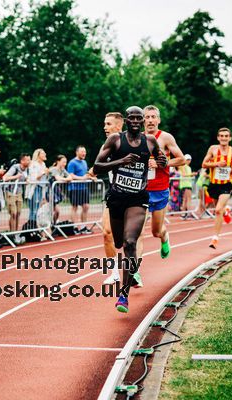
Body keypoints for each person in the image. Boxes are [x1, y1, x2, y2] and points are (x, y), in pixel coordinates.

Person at [92, 106, 166, 313]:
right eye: (131, 118)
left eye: (138, 118)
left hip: (138, 198)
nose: (135, 121)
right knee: (117, 242)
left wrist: (162, 161)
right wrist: (121, 162)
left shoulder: (150, 141)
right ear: (127, 120)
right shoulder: (115, 140)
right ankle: (128, 271)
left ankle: (123, 295)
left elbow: (162, 160)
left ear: (142, 121)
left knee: (130, 243)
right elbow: (97, 166)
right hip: (116, 198)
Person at [138, 105, 185, 264]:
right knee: (138, 232)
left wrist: (161, 164)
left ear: (158, 119)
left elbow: (181, 159)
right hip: (141, 191)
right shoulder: (136, 138)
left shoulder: (165, 138)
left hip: (160, 191)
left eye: (153, 117)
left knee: (156, 231)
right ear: (143, 120)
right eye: (147, 117)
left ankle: (165, 237)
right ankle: (135, 270)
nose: (150, 120)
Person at [201, 128, 232, 249]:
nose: (224, 138)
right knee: (219, 209)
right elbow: (204, 164)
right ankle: (226, 210)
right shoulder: (213, 149)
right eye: (221, 136)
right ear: (218, 138)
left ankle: (215, 238)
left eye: (226, 136)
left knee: (218, 210)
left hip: (226, 184)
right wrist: (216, 164)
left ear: (230, 138)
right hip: (214, 185)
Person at [96, 112, 124, 285]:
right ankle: (114, 273)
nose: (104, 127)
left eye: (108, 124)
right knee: (107, 233)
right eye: (104, 124)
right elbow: (98, 165)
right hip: (113, 193)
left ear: (119, 126)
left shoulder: (134, 142)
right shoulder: (106, 144)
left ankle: (134, 271)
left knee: (130, 239)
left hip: (132, 195)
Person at [3, 153, 30, 243]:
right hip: (10, 192)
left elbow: (26, 178)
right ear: (22, 161)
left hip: (19, 193)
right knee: (13, 213)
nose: (29, 161)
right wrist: (16, 176)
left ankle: (16, 234)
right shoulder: (15, 167)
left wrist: (27, 180)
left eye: (29, 160)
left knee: (18, 213)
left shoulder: (27, 169)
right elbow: (5, 178)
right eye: (27, 160)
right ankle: (12, 234)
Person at [67, 146, 93, 234]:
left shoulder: (84, 162)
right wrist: (81, 178)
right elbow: (71, 175)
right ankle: (74, 227)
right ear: (77, 152)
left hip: (83, 188)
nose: (84, 153)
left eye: (85, 152)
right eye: (82, 152)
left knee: (86, 206)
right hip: (74, 188)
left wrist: (91, 177)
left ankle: (83, 226)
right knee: (75, 207)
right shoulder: (72, 163)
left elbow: (86, 173)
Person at [26, 149, 49, 223]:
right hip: (34, 188)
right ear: (38, 155)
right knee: (34, 209)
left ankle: (33, 227)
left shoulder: (43, 164)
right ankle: (31, 227)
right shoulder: (34, 164)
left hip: (41, 188)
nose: (45, 154)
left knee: (37, 208)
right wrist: (43, 172)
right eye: (43, 153)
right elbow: (34, 177)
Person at [49, 154, 72, 224]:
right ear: (58, 162)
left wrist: (64, 179)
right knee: (54, 211)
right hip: (48, 191)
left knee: (57, 211)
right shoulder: (53, 169)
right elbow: (57, 178)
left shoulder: (62, 169)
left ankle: (53, 224)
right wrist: (66, 179)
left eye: (66, 162)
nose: (65, 164)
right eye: (63, 162)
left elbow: (70, 177)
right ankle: (50, 225)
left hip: (56, 191)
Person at [178, 154, 196, 219]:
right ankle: (188, 213)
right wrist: (192, 174)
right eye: (187, 160)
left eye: (189, 160)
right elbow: (183, 174)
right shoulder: (183, 166)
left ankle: (184, 214)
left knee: (186, 200)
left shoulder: (189, 167)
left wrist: (191, 174)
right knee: (188, 199)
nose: (189, 161)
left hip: (188, 184)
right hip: (185, 184)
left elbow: (187, 175)